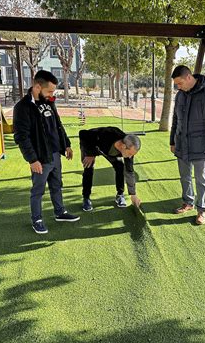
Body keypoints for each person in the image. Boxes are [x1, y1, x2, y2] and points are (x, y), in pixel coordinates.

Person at [13, 70, 80, 234]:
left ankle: (60, 212)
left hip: (55, 154)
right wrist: (32, 160)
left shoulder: (49, 102)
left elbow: (58, 125)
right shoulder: (23, 107)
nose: (52, 94)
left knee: (57, 185)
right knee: (38, 190)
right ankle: (37, 219)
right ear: (37, 87)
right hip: (40, 158)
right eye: (49, 91)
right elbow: (22, 137)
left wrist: (67, 145)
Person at [170, 65, 205, 225]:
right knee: (184, 177)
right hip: (182, 143)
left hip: (201, 145)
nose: (178, 87)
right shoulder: (180, 95)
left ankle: (202, 210)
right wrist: (172, 140)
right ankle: (188, 203)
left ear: (188, 77)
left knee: (201, 179)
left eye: (179, 83)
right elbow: (175, 119)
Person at [78, 127, 141, 211]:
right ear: (123, 146)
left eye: (132, 155)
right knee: (88, 167)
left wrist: (133, 194)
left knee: (120, 166)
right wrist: (90, 153)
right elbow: (82, 133)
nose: (130, 157)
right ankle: (86, 198)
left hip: (110, 151)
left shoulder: (128, 148)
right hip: (92, 144)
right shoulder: (107, 134)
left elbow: (129, 171)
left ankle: (120, 195)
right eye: (130, 153)